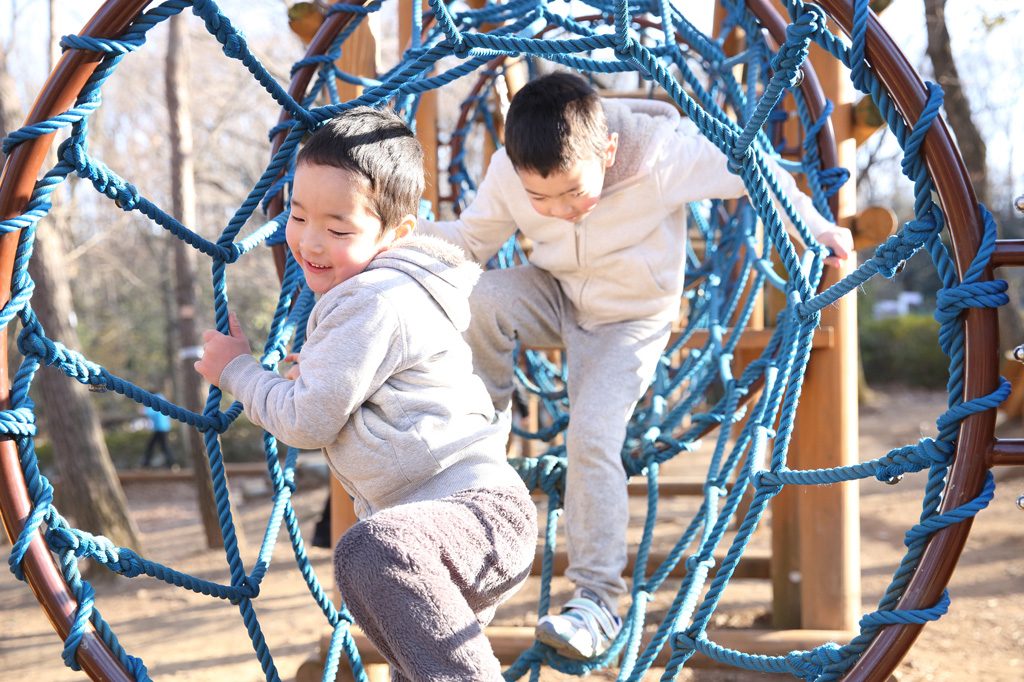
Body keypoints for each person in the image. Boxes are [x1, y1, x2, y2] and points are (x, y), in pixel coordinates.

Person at [417, 71, 854, 660]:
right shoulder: (509, 169)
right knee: (475, 297)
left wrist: (816, 227)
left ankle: (597, 603)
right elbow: (469, 243)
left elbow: (755, 169)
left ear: (609, 152)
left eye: (574, 193)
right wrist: (385, 245)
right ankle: (480, 446)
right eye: (540, 199)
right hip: (556, 292)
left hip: (629, 319)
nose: (559, 211)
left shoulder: (663, 154)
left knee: (592, 436)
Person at [193, 107, 535, 680]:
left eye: (340, 228)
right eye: (298, 216)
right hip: (450, 533)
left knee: (366, 553)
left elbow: (306, 423)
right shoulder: (392, 292)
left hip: (463, 519)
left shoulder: (373, 297)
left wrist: (239, 372)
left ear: (396, 235)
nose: (309, 240)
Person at [140, 394, 177, 469]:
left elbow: (151, 412)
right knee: (157, 446)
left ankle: (172, 464)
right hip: (163, 428)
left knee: (162, 447)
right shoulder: (162, 400)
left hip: (161, 429)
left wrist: (144, 410)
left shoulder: (156, 402)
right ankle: (171, 464)